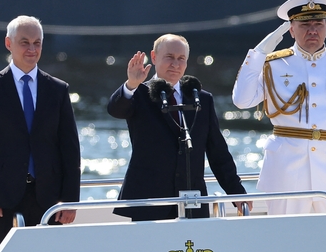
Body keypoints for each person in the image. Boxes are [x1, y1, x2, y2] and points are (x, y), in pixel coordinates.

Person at [232, 0, 326, 214]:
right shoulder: (273, 65)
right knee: (285, 241)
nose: (312, 30)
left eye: (318, 24)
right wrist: (259, 53)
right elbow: (242, 100)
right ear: (291, 29)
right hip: (286, 174)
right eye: (304, 24)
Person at [108, 34, 252, 221]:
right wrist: (131, 84)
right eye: (169, 57)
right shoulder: (138, 93)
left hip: (192, 200)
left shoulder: (201, 99)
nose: (175, 64)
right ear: (154, 57)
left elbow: (218, 152)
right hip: (149, 202)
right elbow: (115, 109)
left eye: (181, 59)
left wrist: (236, 192)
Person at [0, 15, 80, 251]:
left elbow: (70, 150)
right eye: (25, 42)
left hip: (50, 200)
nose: (32, 49)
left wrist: (69, 201)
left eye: (37, 43)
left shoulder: (58, 90)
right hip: (2, 200)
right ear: (9, 44)